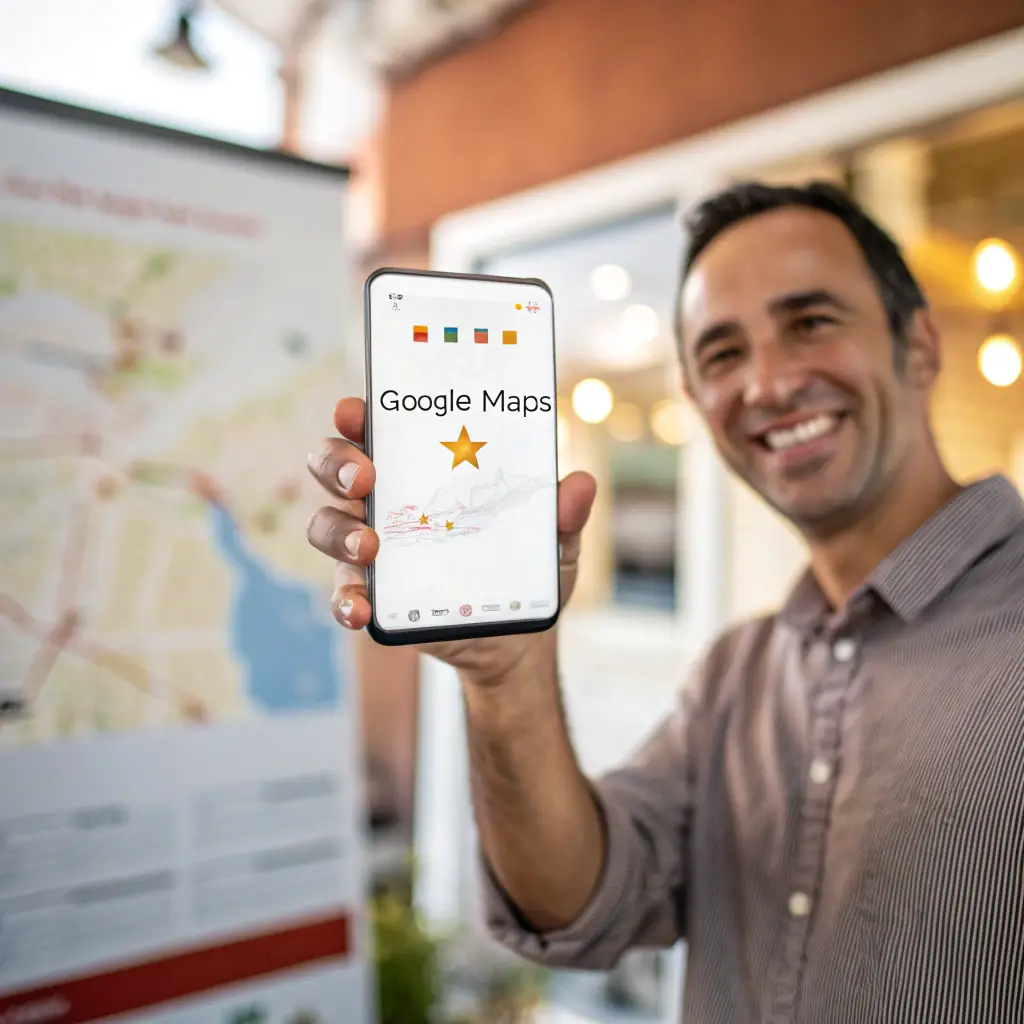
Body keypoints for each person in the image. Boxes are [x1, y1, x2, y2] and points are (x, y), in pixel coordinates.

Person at [305, 181, 1024, 1023]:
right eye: (721, 353)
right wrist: (506, 679)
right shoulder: (736, 673)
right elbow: (578, 907)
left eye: (811, 323)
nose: (766, 382)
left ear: (922, 345)